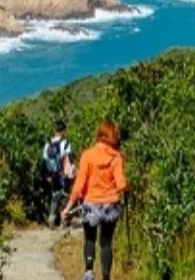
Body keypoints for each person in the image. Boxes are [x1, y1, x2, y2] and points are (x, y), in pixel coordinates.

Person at [62, 120, 127, 280]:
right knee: (106, 243)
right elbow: (121, 185)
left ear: (99, 135)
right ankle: (106, 276)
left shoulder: (87, 155)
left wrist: (67, 208)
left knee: (90, 239)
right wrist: (125, 188)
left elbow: (79, 185)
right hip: (110, 206)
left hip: (90, 205)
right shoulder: (116, 157)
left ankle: (89, 272)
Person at [42, 120, 74, 227]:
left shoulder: (47, 144)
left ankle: (51, 217)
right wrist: (71, 174)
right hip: (63, 174)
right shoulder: (66, 143)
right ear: (63, 131)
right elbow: (69, 159)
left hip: (52, 174)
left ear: (54, 130)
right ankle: (64, 221)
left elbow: (44, 161)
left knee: (55, 195)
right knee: (65, 196)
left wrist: (47, 176)